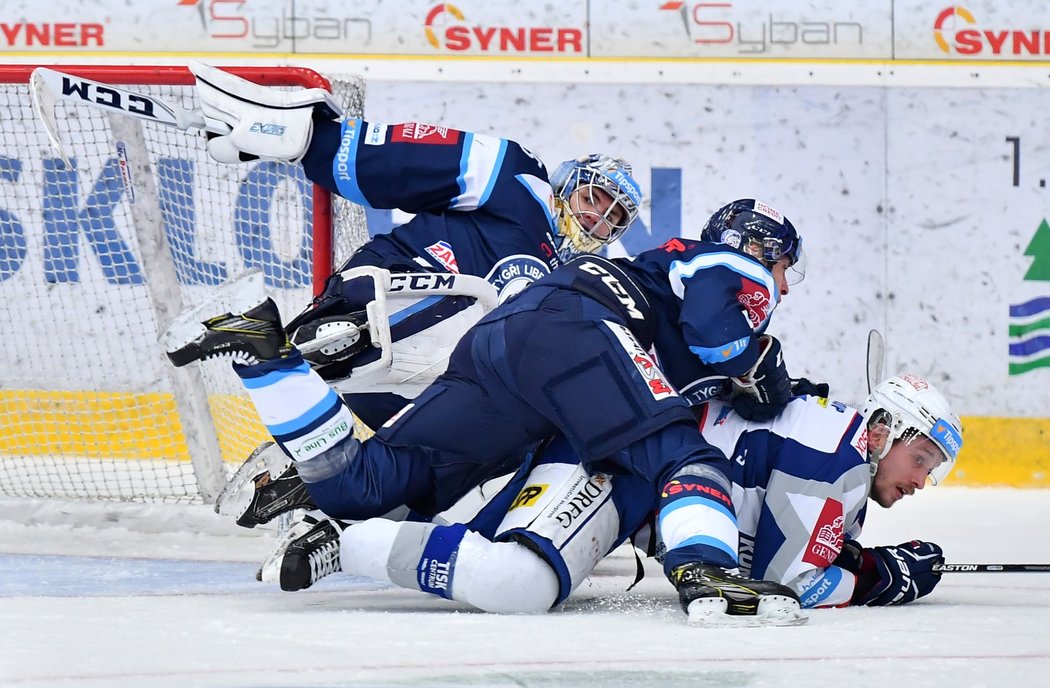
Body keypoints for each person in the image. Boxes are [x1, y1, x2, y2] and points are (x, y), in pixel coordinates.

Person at [164, 195, 809, 626]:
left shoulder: (668, 268)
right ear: (760, 249)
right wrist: (762, 362)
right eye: (784, 268)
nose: (781, 286)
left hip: (509, 341)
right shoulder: (731, 266)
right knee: (687, 459)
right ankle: (711, 576)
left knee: (369, 482)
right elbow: (713, 335)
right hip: (581, 333)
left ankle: (262, 354)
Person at [186, 61, 643, 433]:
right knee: (462, 307)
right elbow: (408, 162)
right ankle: (260, 335)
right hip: (388, 291)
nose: (596, 217)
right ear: (569, 182)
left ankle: (325, 488)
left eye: (613, 217)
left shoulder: (582, 276)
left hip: (428, 381)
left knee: (467, 441)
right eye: (592, 199)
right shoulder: (517, 179)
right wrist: (312, 142)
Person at [273, 373, 961, 618]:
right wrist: (879, 578)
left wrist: (861, 562)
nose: (923, 478)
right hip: (621, 465)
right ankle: (338, 540)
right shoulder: (838, 466)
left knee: (492, 556)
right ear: (885, 427)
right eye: (922, 456)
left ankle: (346, 521)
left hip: (621, 460)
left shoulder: (842, 452)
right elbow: (783, 585)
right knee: (515, 582)